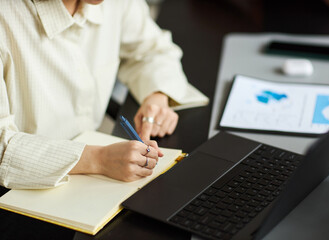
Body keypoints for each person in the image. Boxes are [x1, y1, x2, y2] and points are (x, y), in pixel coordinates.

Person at [0, 0, 204, 189]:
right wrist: (99, 159)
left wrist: (157, 95)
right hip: (20, 191)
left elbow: (153, 50)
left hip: (93, 173)